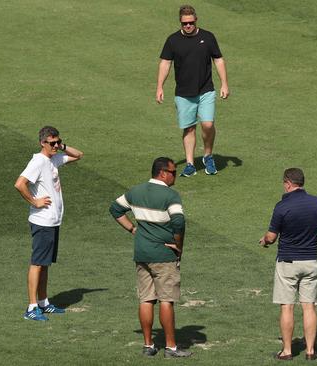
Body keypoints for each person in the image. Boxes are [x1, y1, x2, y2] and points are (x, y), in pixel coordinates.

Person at [109, 157, 192, 358]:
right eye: (173, 172)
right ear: (162, 173)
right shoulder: (171, 196)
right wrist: (178, 245)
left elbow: (115, 209)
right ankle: (171, 347)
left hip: (142, 254)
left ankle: (148, 345)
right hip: (163, 255)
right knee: (166, 300)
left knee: (146, 299)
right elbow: (179, 222)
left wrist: (132, 229)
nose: (175, 176)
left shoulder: (135, 191)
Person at [14, 126, 83, 321]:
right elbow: (19, 183)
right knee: (37, 263)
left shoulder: (53, 159)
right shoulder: (38, 161)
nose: (55, 146)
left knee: (45, 264)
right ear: (42, 143)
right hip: (42, 222)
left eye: (57, 142)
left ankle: (44, 303)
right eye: (52, 143)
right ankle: (32, 307)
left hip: (52, 221)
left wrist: (63, 146)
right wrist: (34, 201)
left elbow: (79, 155)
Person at [259, 168, 317, 361]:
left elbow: (272, 237)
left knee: (287, 307)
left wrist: (264, 241)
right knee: (309, 306)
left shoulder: (282, 206)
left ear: (288, 183)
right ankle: (310, 351)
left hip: (288, 262)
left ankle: (287, 351)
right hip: (311, 261)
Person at [156, 4, 229, 177]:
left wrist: (224, 83)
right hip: (183, 93)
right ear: (180, 23)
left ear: (196, 20)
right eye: (184, 24)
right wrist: (159, 86)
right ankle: (190, 164)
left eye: (190, 22)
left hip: (206, 90)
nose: (188, 26)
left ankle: (208, 156)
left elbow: (218, 60)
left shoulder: (208, 37)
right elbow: (165, 63)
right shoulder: (173, 40)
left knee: (208, 124)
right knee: (189, 128)